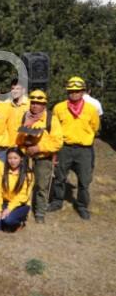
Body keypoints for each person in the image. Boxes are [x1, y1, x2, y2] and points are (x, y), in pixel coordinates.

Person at [50, 77, 100, 220]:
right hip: (64, 148)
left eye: (77, 91)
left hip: (84, 150)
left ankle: (82, 206)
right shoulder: (59, 108)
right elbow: (54, 128)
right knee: (59, 177)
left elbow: (95, 127)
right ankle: (57, 201)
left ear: (83, 92)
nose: (74, 94)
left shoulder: (91, 109)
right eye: (71, 91)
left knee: (84, 181)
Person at [14, 90, 62, 223]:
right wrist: (25, 148)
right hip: (26, 157)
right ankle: (23, 208)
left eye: (38, 103)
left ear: (44, 105)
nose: (35, 105)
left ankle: (40, 213)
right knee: (24, 183)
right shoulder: (25, 117)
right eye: (33, 102)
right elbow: (18, 140)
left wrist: (38, 148)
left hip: (43, 158)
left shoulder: (51, 119)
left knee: (41, 186)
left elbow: (57, 142)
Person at [0, 147, 33, 232]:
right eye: (10, 158)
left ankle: (20, 221)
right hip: (4, 202)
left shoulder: (28, 174)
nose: (12, 161)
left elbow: (23, 196)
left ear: (21, 159)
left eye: (15, 158)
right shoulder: (1, 169)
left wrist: (9, 209)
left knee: (8, 220)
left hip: (20, 204)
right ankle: (3, 219)